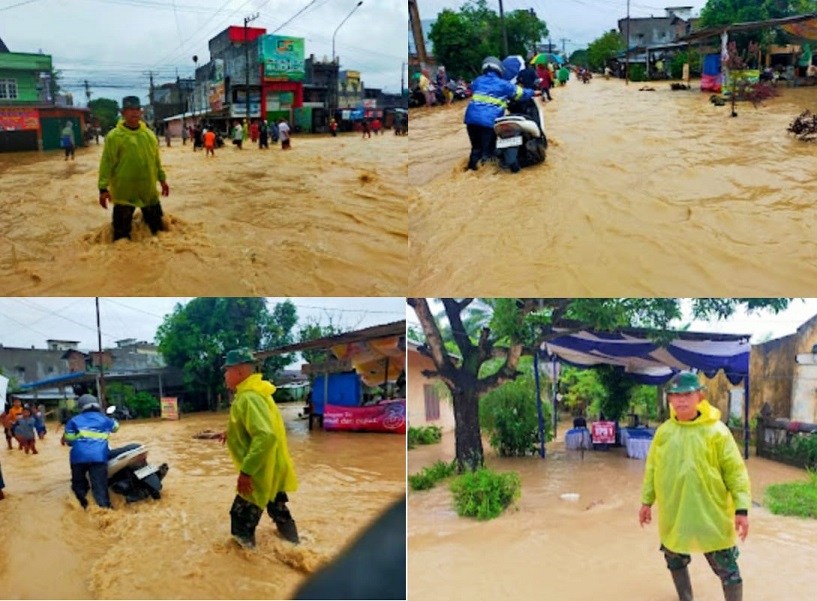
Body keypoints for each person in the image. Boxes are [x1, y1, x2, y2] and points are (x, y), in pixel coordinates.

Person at [639, 371, 750, 601]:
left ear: (699, 396)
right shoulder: (664, 433)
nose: (681, 400)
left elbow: (736, 472)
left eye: (687, 394)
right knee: (673, 557)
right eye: (675, 395)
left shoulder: (717, 432)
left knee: (728, 569)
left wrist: (742, 510)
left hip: (711, 514)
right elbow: (652, 469)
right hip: (675, 512)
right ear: (669, 399)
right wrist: (646, 502)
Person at [222, 348, 299, 549]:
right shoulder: (260, 391)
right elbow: (261, 425)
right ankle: (295, 547)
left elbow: (264, 436)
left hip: (259, 471)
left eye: (227, 370)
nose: (224, 375)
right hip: (273, 466)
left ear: (239, 372)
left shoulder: (248, 398)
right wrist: (229, 433)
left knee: (240, 519)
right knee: (279, 510)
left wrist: (246, 472)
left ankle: (247, 566)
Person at [98, 96, 170, 242]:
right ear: (123, 113)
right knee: (121, 238)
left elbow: (156, 160)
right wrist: (103, 189)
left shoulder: (149, 135)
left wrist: (162, 180)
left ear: (141, 112)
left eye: (137, 109)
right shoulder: (114, 136)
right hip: (124, 192)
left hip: (148, 190)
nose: (135, 113)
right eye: (130, 109)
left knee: (159, 233)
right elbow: (106, 163)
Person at [463, 55, 539, 171]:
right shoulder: (503, 84)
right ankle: (487, 175)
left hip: (471, 120)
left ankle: (471, 171)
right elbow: (520, 93)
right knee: (487, 151)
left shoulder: (478, 81)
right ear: (499, 69)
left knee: (476, 149)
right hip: (488, 122)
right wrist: (533, 92)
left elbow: (472, 88)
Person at [63, 394, 120, 509]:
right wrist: (112, 418)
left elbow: (68, 440)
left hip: (78, 458)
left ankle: (83, 507)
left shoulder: (73, 421)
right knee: (100, 486)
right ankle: (104, 510)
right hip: (99, 457)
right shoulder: (104, 419)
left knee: (79, 485)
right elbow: (116, 428)